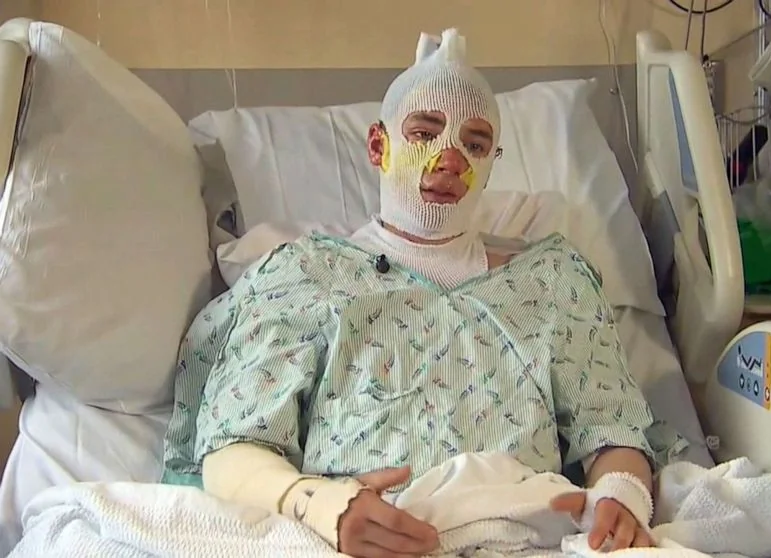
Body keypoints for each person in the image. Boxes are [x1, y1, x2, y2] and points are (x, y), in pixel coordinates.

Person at [162, 28, 663, 557]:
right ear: (379, 145)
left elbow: (613, 432)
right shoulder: (307, 277)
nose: (451, 160)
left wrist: (620, 496)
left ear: (492, 163)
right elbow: (232, 447)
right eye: (425, 134)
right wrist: (318, 505)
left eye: (474, 144)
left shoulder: (551, 282)